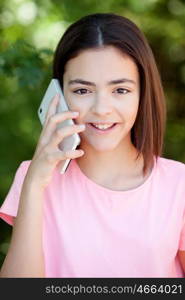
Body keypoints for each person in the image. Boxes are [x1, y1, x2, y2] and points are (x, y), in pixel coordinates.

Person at [0, 12, 184, 278]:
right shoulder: (34, 179)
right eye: (82, 91)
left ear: (143, 93)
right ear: (59, 95)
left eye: (120, 90)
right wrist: (33, 185)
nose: (101, 109)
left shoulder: (179, 184)